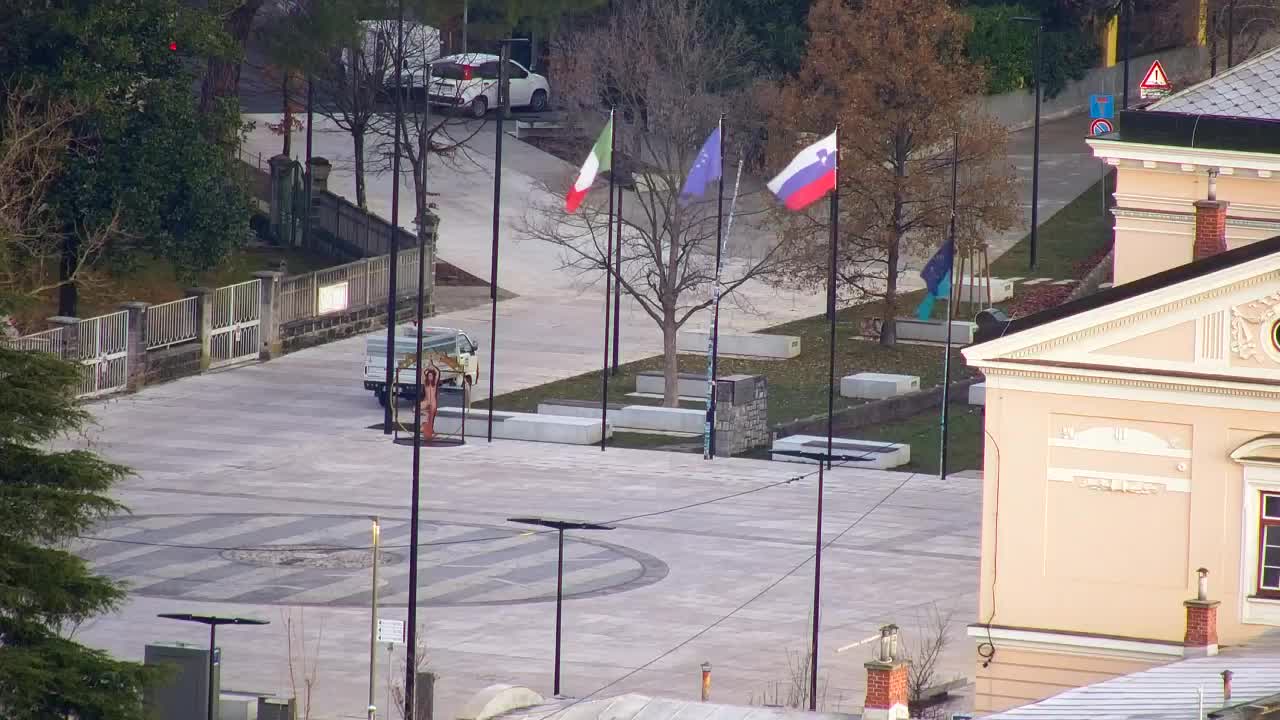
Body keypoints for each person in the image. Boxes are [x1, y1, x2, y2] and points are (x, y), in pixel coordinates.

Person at [419, 366, 440, 441]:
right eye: (429, 375)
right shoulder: (425, 383)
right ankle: (424, 425)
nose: (430, 377)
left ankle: (428, 432)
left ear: (433, 376)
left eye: (431, 375)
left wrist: (433, 367)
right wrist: (428, 367)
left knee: (431, 418)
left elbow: (437, 372)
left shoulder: (435, 383)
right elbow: (422, 372)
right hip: (427, 400)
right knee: (417, 408)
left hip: (433, 402)